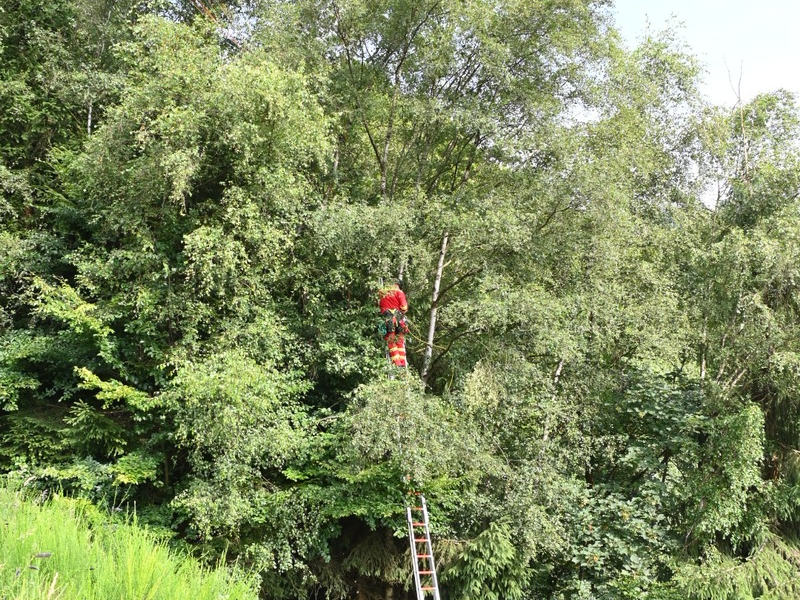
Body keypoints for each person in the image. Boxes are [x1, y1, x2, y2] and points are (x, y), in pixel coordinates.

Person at [378, 279, 409, 368]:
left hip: (388, 320)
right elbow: (404, 307)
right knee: (400, 340)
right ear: (398, 285)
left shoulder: (382, 292)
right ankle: (402, 362)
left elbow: (379, 305)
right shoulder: (399, 292)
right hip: (399, 320)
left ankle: (396, 362)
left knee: (391, 341)